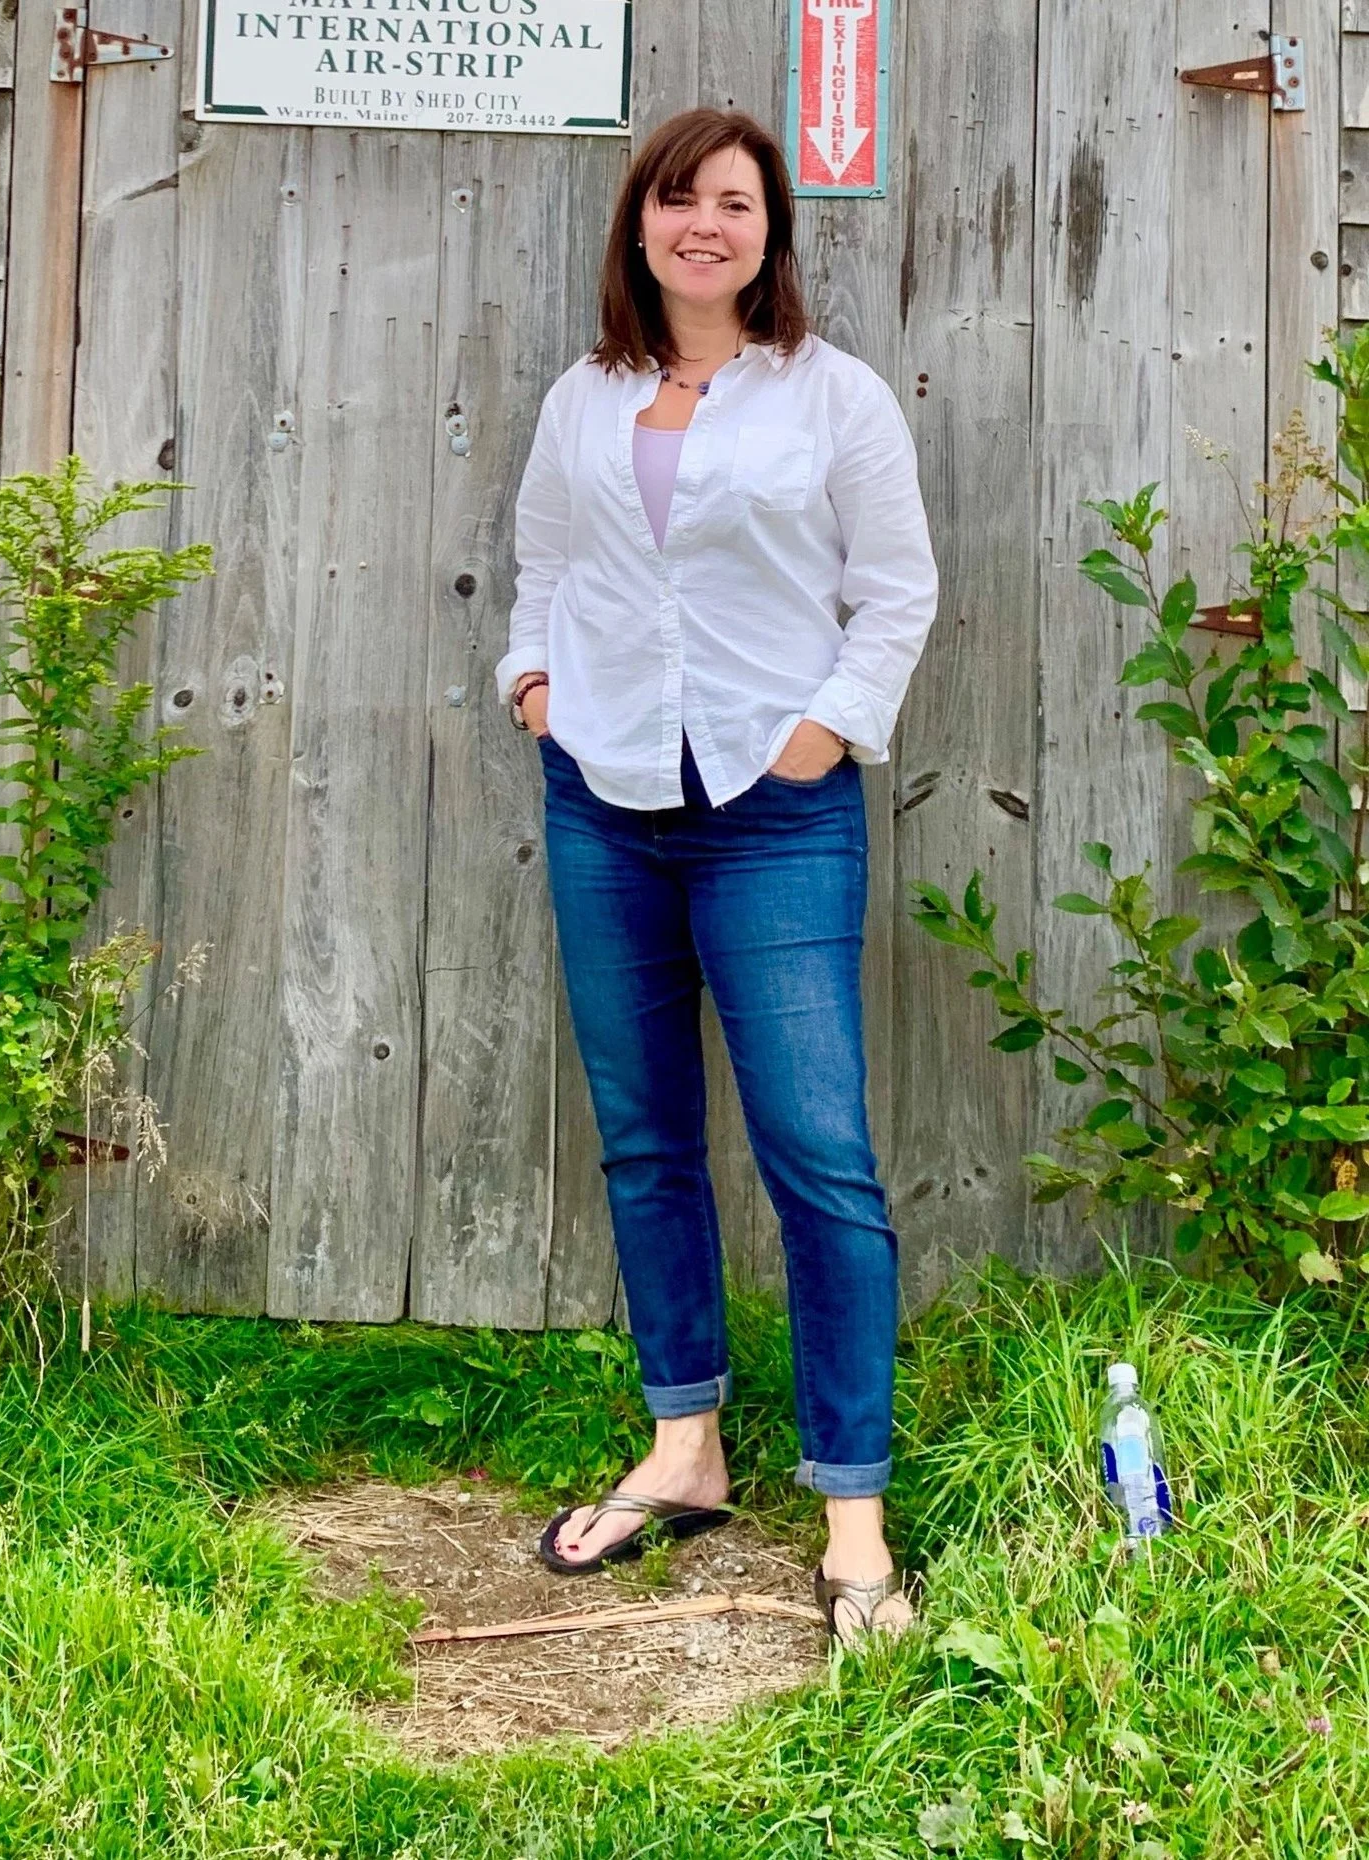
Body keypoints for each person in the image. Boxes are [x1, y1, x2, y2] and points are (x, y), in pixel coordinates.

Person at [495, 107, 939, 1643]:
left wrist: (826, 731)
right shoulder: (585, 398)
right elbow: (545, 565)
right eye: (680, 199)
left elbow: (896, 591)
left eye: (735, 203)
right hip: (603, 800)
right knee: (646, 1140)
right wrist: (533, 685)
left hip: (775, 813)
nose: (706, 225)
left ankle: (853, 1512)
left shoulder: (834, 397)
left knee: (820, 1155)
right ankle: (686, 1446)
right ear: (641, 223)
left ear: (770, 233)